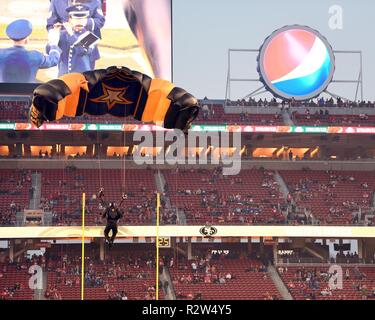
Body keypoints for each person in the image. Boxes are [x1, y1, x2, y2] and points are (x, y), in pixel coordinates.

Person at [47, 0, 105, 70]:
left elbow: (100, 21)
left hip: (87, 41)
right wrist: (55, 34)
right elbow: (51, 23)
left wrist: (83, 22)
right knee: (65, 73)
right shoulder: (56, 1)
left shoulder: (95, 1)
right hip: (65, 46)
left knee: (87, 76)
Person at [52, 4, 97, 75]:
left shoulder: (90, 36)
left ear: (86, 20)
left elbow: (81, 51)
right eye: (76, 19)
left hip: (81, 77)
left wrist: (71, 34)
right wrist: (55, 34)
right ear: (70, 19)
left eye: (82, 19)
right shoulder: (62, 34)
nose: (79, 21)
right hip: (64, 76)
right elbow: (49, 51)